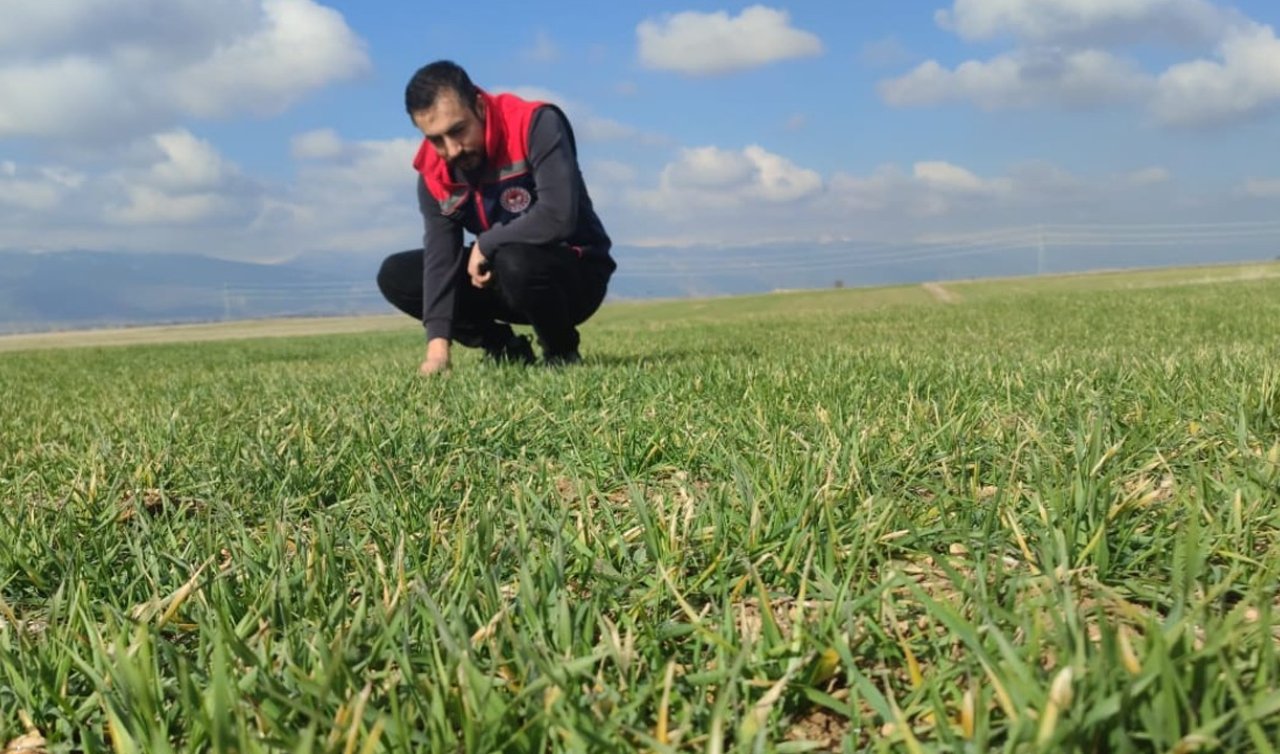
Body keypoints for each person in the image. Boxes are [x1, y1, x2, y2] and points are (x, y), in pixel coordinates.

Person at [377, 60, 616, 374]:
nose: (451, 150)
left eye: (457, 130)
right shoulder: (433, 171)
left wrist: (487, 244)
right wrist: (437, 349)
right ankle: (505, 348)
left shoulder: (535, 123)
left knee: (514, 258)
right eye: (435, 139)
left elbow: (559, 216)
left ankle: (561, 353)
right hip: (501, 278)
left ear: (479, 105)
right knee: (397, 274)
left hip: (573, 277)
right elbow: (441, 259)